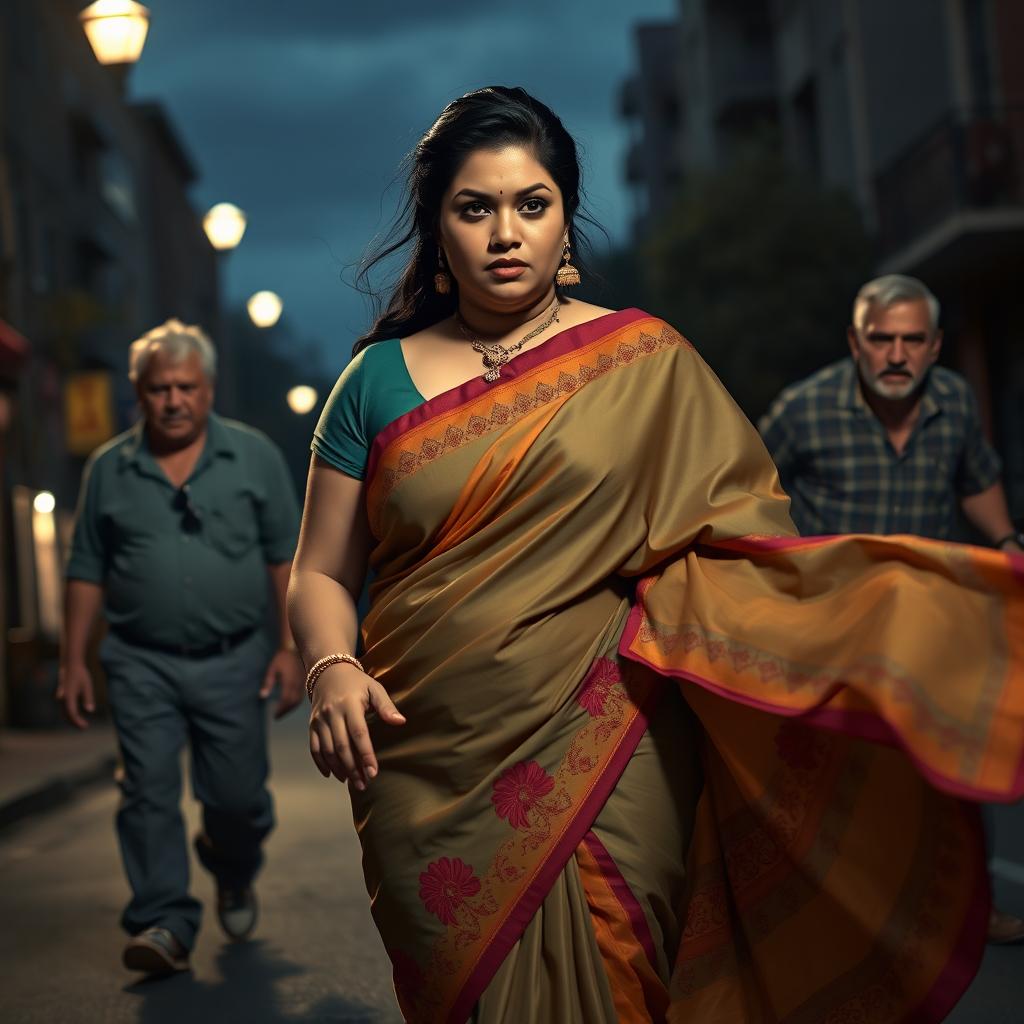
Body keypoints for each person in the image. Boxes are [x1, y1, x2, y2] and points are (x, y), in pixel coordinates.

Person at [287, 87, 1023, 1023]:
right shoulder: (371, 382)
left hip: (612, 737)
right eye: (475, 208)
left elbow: (744, 539)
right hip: (420, 756)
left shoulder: (644, 361)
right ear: (438, 228)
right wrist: (332, 669)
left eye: (532, 204)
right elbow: (319, 569)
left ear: (566, 222)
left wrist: (881, 627)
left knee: (619, 974)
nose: (505, 232)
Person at [759, 273, 1024, 944]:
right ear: (856, 341)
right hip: (840, 626)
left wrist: (1006, 541)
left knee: (957, 758)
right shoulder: (802, 410)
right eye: (881, 339)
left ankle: (976, 908)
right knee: (844, 776)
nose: (897, 355)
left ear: (935, 346)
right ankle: (834, 913)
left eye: (912, 340)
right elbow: (749, 489)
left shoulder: (956, 403)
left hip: (936, 620)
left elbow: (978, 479)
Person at [58, 319, 303, 975]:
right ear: (138, 392)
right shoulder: (110, 468)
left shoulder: (253, 458)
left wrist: (290, 648)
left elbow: (287, 560)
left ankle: (232, 867)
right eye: (159, 388)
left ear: (209, 388)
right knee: (147, 791)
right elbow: (86, 568)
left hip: (235, 659)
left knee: (237, 800)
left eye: (186, 387)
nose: (173, 400)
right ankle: (163, 920)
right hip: (141, 662)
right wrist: (74, 660)